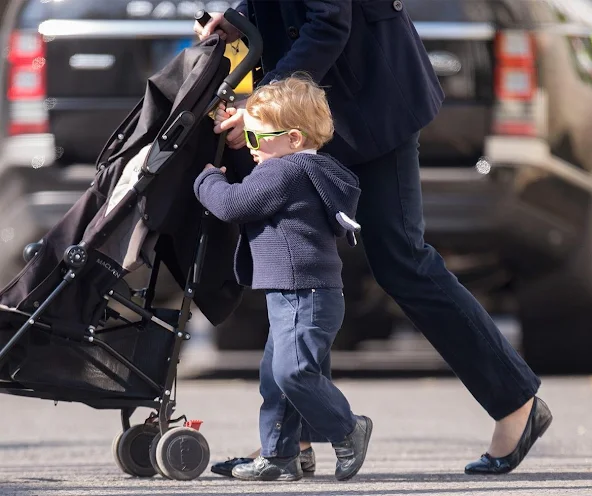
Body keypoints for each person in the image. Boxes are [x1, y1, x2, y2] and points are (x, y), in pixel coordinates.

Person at [195, 0, 553, 477]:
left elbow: (328, 19)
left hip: (369, 102)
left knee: (401, 259)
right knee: (293, 258)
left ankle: (516, 402)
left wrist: (264, 107)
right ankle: (286, 445)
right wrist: (242, 15)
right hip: (305, 104)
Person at [194, 76, 372, 482]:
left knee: (292, 374)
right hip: (309, 294)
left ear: (293, 138)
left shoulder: (283, 172)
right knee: (278, 378)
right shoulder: (314, 168)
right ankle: (279, 456)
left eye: (257, 140)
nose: (252, 150)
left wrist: (207, 179)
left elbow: (232, 204)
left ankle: (349, 429)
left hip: (301, 294)